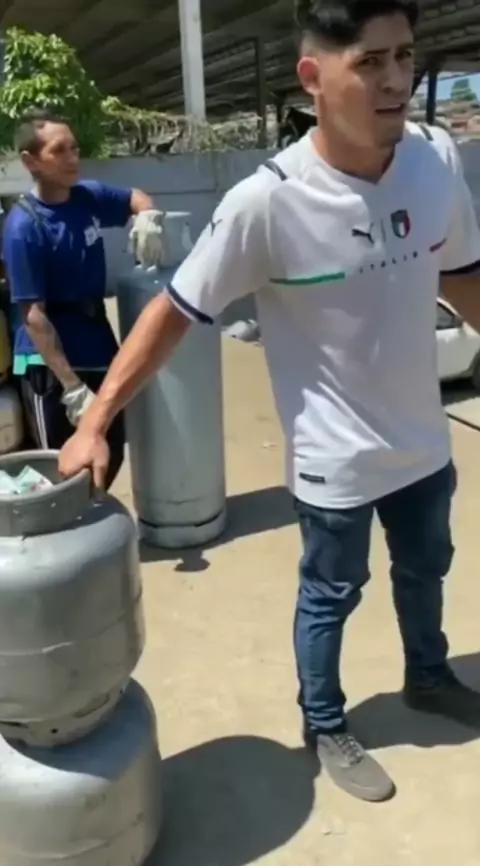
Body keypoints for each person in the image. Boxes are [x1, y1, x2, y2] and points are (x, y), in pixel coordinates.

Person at [59, 0, 480, 801]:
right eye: (370, 62)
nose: (396, 80)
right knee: (331, 594)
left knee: (427, 568)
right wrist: (97, 419)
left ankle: (428, 676)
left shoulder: (435, 159)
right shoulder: (269, 200)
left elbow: (462, 274)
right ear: (313, 77)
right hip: (336, 458)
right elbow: (173, 311)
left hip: (425, 442)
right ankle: (324, 722)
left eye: (404, 56)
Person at [2, 109, 164, 488]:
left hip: (98, 346)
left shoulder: (86, 197)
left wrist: (148, 217)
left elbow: (135, 198)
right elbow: (34, 316)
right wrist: (72, 388)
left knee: (112, 448)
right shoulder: (24, 226)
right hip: (51, 365)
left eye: (74, 148)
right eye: (59, 150)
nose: (73, 157)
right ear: (30, 161)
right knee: (63, 468)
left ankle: (95, 523)